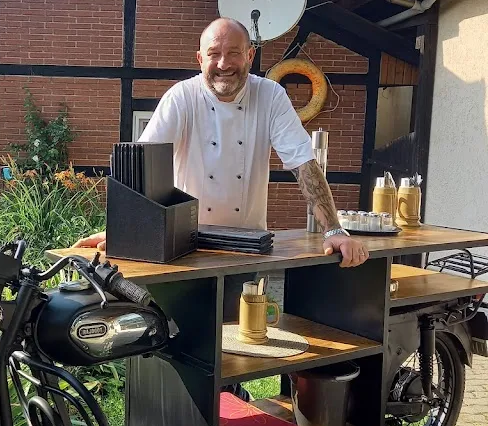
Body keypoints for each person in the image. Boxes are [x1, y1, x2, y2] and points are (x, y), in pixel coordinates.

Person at [73, 17, 369, 269]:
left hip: (249, 245)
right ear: (200, 59)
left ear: (250, 56)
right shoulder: (181, 97)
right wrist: (126, 229)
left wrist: (333, 229)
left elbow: (303, 163)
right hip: (184, 245)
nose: (224, 64)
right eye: (214, 54)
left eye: (234, 53)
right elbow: (143, 164)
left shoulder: (271, 96)